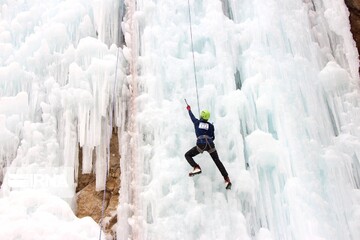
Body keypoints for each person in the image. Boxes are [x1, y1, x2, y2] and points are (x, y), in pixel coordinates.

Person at [185, 104, 232, 190]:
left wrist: (189, 109)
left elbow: (192, 117)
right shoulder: (211, 126)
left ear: (201, 116)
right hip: (210, 145)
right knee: (217, 161)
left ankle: (196, 167)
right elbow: (213, 137)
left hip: (201, 144)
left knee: (187, 155)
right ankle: (227, 179)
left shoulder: (197, 122)